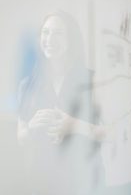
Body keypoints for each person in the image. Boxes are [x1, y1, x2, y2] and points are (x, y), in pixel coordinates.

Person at [17, 10, 111, 195]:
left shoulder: (92, 80)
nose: (50, 39)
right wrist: (31, 126)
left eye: (58, 33)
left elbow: (110, 132)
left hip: (85, 180)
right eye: (46, 32)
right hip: (42, 181)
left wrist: (74, 125)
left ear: (72, 40)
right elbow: (20, 136)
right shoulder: (27, 85)